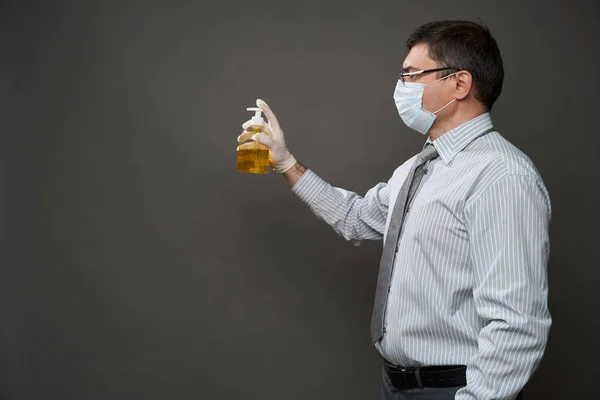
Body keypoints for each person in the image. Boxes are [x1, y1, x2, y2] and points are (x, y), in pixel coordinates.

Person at [237, 20, 551, 400]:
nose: (401, 87)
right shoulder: (418, 168)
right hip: (396, 386)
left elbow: (518, 323)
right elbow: (355, 218)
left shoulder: (501, 176)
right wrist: (287, 163)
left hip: (457, 390)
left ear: (460, 83)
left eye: (412, 75)